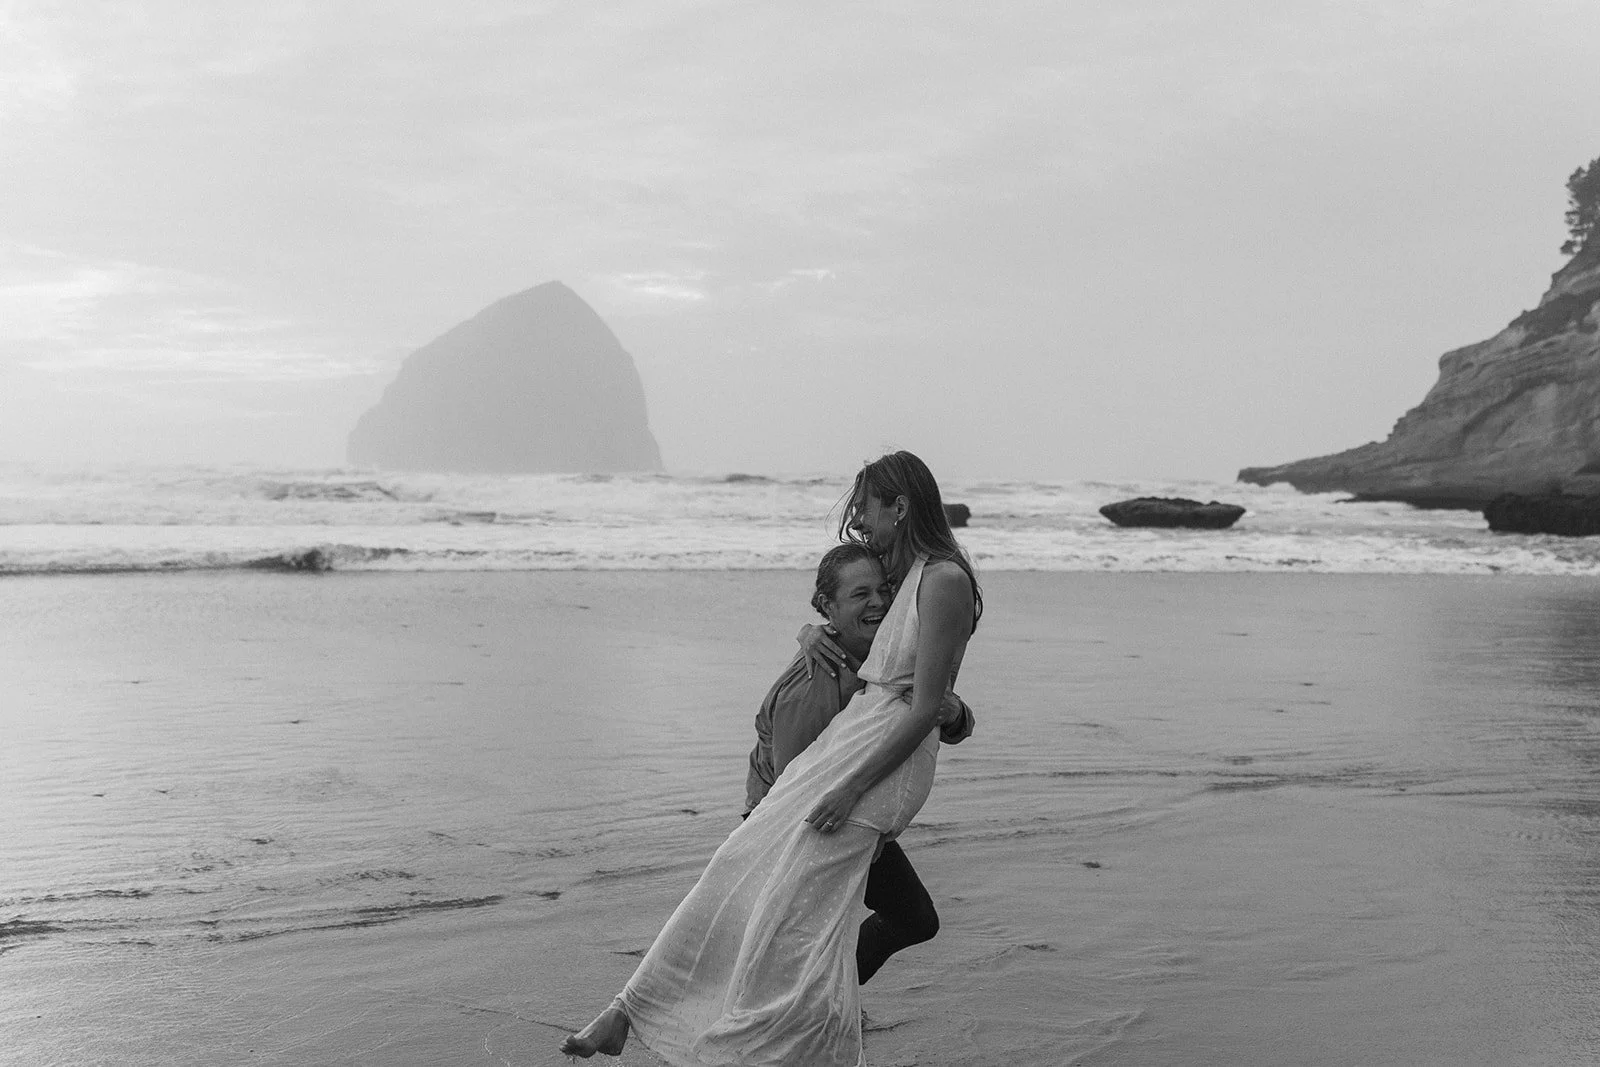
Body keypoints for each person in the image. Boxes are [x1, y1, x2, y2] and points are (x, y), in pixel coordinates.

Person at [562, 451, 982, 1066]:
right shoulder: (911, 574)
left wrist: (849, 787)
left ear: (900, 505)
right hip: (847, 754)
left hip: (871, 767)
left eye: (867, 506)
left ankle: (741, 1046)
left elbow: (923, 705)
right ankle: (630, 1008)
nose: (860, 521)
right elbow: (861, 628)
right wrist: (812, 632)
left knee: (793, 925)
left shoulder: (943, 578)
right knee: (736, 874)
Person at [745, 542, 975, 985]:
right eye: (859, 594)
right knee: (892, 920)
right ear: (827, 606)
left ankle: (826, 1000)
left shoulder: (888, 651)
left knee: (911, 919)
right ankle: (810, 1007)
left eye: (884, 589)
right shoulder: (814, 684)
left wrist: (953, 713)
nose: (878, 602)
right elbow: (790, 790)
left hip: (848, 804)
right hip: (791, 818)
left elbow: (938, 710)